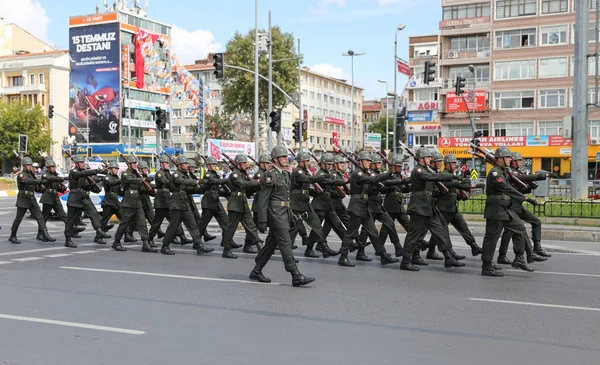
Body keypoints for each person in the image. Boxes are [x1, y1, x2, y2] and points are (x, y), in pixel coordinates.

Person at [250, 146, 315, 287]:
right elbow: (263, 199)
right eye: (283, 157)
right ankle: (295, 275)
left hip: (284, 213)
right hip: (275, 214)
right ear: (275, 159)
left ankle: (256, 270)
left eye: (286, 157)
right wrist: (262, 220)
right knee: (286, 243)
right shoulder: (269, 175)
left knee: (271, 244)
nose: (286, 159)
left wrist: (290, 214)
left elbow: (286, 197)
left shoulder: (285, 175)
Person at [400, 147, 463, 272]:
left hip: (428, 207)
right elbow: (432, 177)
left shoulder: (426, 170)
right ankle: (406, 261)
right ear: (421, 158)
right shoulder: (418, 170)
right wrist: (451, 177)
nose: (430, 159)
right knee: (413, 236)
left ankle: (448, 257)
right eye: (428, 157)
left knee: (440, 232)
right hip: (418, 207)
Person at [480, 147, 535, 277]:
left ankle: (519, 258)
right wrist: (524, 198)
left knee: (520, 228)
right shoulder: (495, 173)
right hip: (495, 210)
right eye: (508, 157)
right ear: (500, 159)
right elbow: (506, 188)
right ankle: (486, 265)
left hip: (504, 208)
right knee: (491, 238)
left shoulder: (503, 171)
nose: (511, 160)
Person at [341, 151, 398, 266]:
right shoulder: (358, 174)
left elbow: (372, 184)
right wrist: (388, 173)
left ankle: (383, 255)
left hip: (364, 207)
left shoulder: (364, 173)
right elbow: (372, 180)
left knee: (373, 232)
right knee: (350, 233)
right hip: (357, 207)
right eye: (367, 161)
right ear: (361, 162)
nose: (369, 163)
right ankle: (343, 257)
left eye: (370, 161)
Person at [497, 152, 551, 263]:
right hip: (512, 205)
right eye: (519, 160)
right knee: (511, 231)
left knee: (536, 222)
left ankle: (537, 247)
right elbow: (521, 179)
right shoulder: (510, 172)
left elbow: (523, 187)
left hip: (518, 205)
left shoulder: (518, 172)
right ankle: (504, 255)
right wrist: (542, 176)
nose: (521, 162)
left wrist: (530, 185)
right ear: (514, 161)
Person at [160, 156, 212, 256]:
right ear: (179, 165)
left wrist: (201, 189)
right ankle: (165, 246)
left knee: (193, 225)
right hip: (177, 204)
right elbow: (183, 182)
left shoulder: (185, 175)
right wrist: (197, 181)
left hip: (184, 203)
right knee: (173, 226)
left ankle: (199, 245)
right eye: (185, 163)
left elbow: (188, 189)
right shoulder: (175, 175)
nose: (187, 165)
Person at [111, 155, 156, 253]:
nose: (135, 165)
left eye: (136, 163)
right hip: (128, 203)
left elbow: (141, 187)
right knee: (124, 224)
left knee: (142, 223)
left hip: (138, 202)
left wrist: (151, 188)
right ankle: (116, 242)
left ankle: (145, 243)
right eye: (133, 163)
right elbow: (129, 180)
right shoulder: (125, 174)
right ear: (129, 164)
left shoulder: (137, 174)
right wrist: (141, 180)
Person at [64, 155, 110, 248]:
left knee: (93, 213)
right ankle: (68, 239)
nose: (82, 164)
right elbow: (80, 175)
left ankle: (99, 230)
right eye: (80, 162)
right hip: (74, 199)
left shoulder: (84, 173)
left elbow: (87, 183)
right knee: (70, 220)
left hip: (83, 198)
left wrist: (100, 178)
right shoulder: (74, 172)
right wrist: (96, 171)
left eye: (82, 162)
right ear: (76, 164)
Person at [221, 154, 262, 259]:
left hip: (243, 203)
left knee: (251, 225)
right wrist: (256, 181)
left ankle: (258, 245)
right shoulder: (235, 175)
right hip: (235, 203)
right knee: (231, 228)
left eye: (245, 163)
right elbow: (243, 184)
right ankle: (226, 249)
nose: (245, 165)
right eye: (243, 163)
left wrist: (256, 186)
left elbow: (248, 190)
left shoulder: (243, 174)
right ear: (238, 164)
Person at [9, 157, 53, 244]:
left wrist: (44, 188)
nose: (29, 167)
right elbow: (28, 182)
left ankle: (45, 233)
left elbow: (36, 188)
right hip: (23, 198)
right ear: (24, 166)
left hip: (31, 198)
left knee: (40, 217)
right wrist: (40, 181)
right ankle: (12, 236)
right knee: (19, 218)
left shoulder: (30, 174)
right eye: (28, 165)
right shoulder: (21, 175)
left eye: (30, 165)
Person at [39, 160, 75, 241]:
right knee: (44, 217)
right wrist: (63, 178)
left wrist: (61, 188)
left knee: (63, 214)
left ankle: (72, 229)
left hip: (55, 196)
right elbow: (50, 178)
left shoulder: (55, 174)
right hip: (47, 197)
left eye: (54, 167)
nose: (53, 168)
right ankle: (41, 233)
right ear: (48, 168)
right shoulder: (46, 174)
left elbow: (56, 186)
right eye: (52, 167)